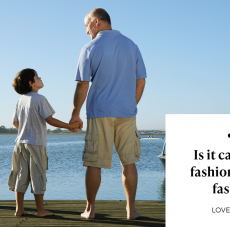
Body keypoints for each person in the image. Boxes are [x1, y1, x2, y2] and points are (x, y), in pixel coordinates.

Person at [69, 8, 146, 220]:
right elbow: (141, 81)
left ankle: (90, 210)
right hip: (127, 113)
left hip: (100, 112)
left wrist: (75, 114)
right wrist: (131, 103)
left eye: (86, 26)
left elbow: (83, 85)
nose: (86, 31)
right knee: (128, 162)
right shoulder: (132, 45)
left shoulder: (89, 48)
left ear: (96, 22)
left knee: (94, 162)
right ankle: (131, 211)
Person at [9, 68, 80, 217]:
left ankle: (19, 209)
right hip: (36, 143)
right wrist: (70, 126)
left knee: (21, 175)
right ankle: (41, 210)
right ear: (31, 83)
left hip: (20, 143)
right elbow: (50, 119)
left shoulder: (20, 100)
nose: (40, 78)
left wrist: (25, 130)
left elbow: (14, 122)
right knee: (38, 175)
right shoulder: (39, 99)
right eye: (37, 77)